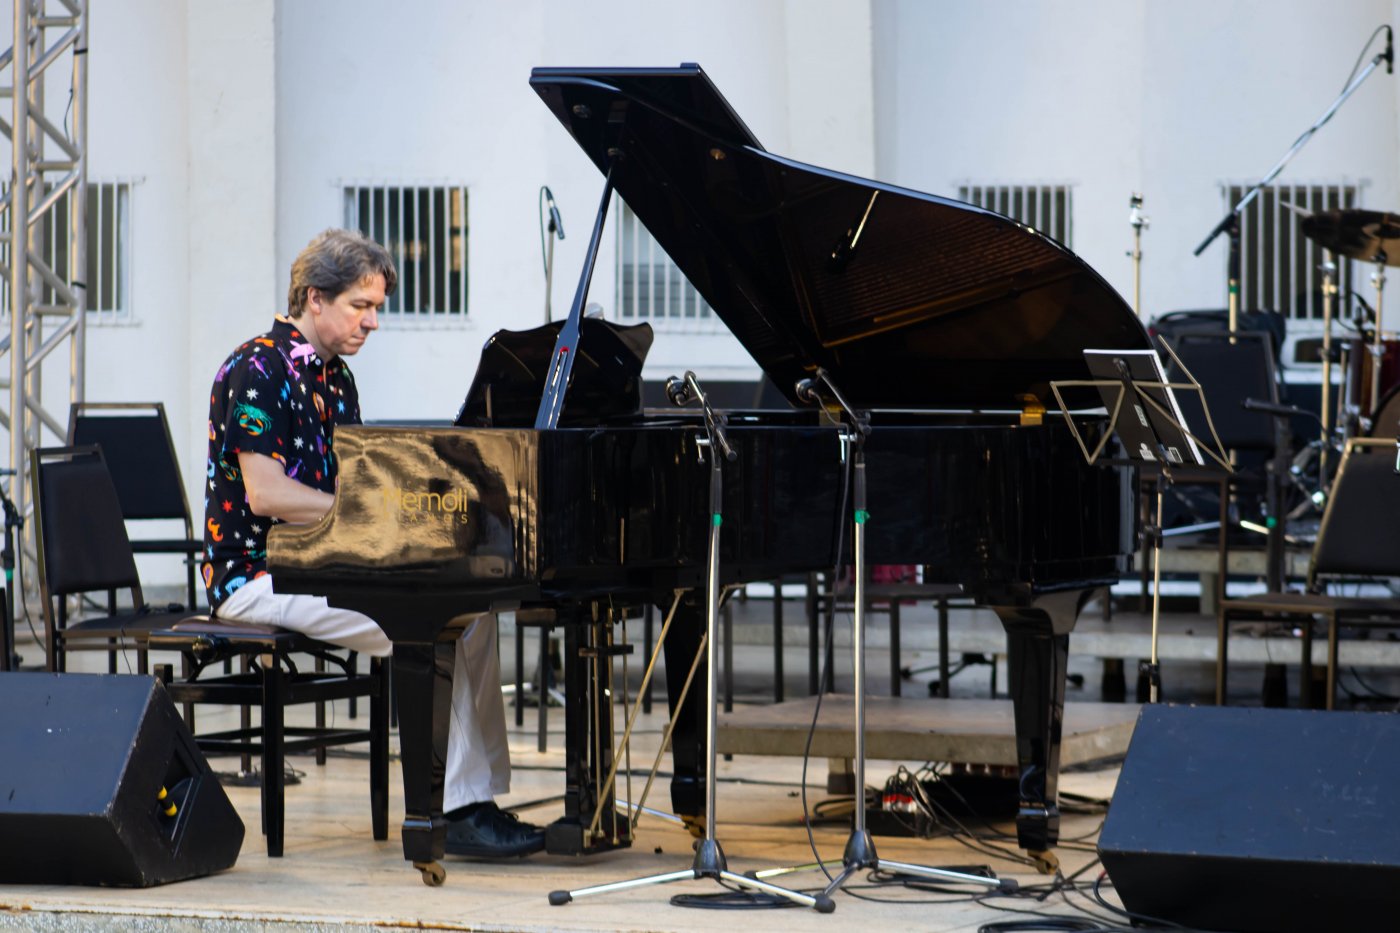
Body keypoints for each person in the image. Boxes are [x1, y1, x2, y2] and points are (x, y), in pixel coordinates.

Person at [201, 228, 543, 859]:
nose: (373, 322)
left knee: (473, 613)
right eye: (361, 306)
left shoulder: (337, 379)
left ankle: (477, 795)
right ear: (314, 298)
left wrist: (406, 515)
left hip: (325, 566)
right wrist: (367, 515)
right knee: (435, 622)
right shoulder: (256, 369)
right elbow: (267, 495)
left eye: (376, 307)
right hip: (256, 577)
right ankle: (458, 808)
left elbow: (352, 482)